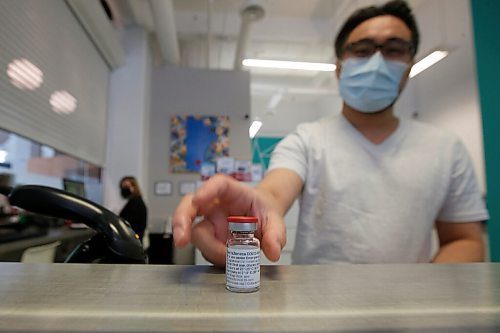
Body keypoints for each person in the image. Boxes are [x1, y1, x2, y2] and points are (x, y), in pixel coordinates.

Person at [172, 0, 489, 267]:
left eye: (394, 49)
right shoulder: (306, 140)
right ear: (339, 67)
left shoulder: (446, 149)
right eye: (362, 49)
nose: (377, 61)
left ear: (409, 64)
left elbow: (464, 240)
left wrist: (416, 298)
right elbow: (272, 195)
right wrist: (252, 213)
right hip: (316, 314)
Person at [119, 176, 148, 242]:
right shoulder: (132, 201)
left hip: (132, 239)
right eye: (122, 186)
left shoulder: (136, 202)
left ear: (134, 187)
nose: (124, 189)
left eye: (126, 186)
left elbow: (129, 222)